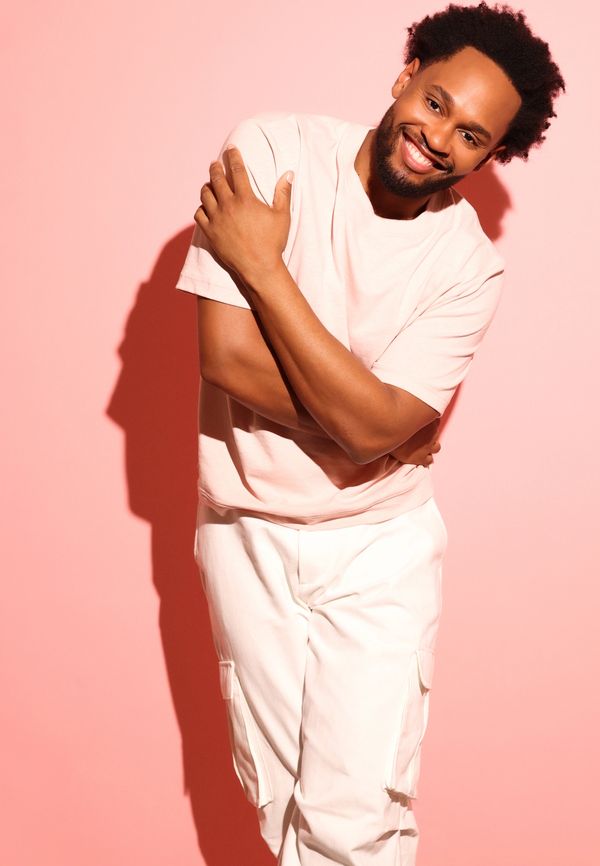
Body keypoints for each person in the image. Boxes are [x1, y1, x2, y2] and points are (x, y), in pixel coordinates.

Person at [175, 3, 565, 863]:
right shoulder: (273, 150)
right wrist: (375, 424)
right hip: (244, 530)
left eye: (471, 136)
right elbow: (227, 359)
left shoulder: (469, 267)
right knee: (279, 808)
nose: (438, 138)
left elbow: (366, 430)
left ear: (491, 156)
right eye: (435, 103)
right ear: (405, 77)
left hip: (377, 546)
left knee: (354, 819)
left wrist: (263, 266)